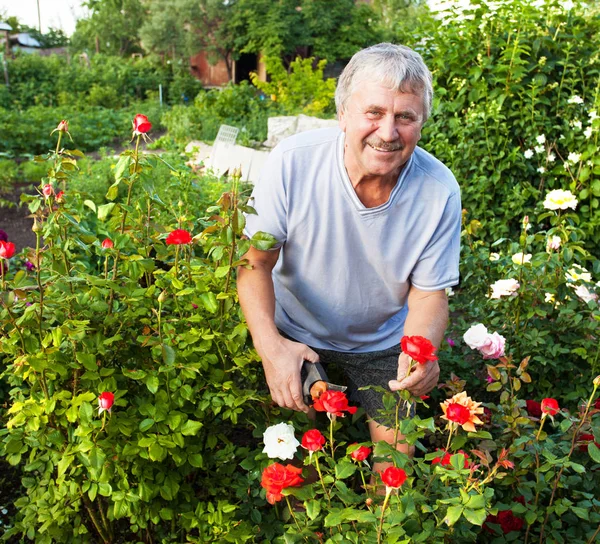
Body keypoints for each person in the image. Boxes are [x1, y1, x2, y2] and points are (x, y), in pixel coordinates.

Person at [238, 43, 461, 460]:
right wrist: (271, 347)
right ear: (343, 113)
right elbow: (255, 262)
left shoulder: (438, 190)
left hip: (382, 344)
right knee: (287, 455)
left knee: (397, 466)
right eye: (374, 112)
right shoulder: (293, 163)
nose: (388, 132)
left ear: (421, 123)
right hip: (296, 332)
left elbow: (429, 294)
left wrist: (420, 354)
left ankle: (378, 524)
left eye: (405, 117)